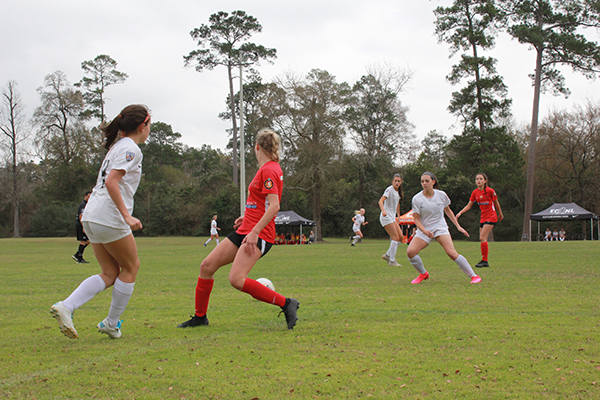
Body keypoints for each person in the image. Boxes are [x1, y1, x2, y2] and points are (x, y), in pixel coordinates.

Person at [177, 128, 300, 330]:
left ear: (257, 147)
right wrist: (248, 216)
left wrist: (254, 231)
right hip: (247, 228)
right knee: (206, 266)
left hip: (258, 234)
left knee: (236, 279)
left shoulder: (269, 170)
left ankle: (287, 303)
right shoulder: (266, 169)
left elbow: (275, 206)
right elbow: (263, 204)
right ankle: (200, 317)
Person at [50, 104, 151, 339]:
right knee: (131, 267)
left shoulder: (117, 146)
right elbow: (112, 182)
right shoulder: (131, 149)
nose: (149, 131)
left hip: (92, 215)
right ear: (141, 126)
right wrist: (126, 215)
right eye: (149, 126)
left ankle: (66, 306)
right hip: (109, 216)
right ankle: (111, 323)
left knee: (109, 273)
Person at [407, 171, 482, 285]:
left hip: (440, 227)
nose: (424, 183)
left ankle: (474, 276)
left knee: (452, 253)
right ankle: (423, 274)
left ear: (433, 182)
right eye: (422, 181)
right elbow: (416, 219)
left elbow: (447, 210)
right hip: (425, 229)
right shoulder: (417, 199)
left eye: (427, 181)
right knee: (410, 252)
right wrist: (424, 231)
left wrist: (458, 226)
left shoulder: (441, 195)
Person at [456, 172, 504, 268]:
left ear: (485, 181)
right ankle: (484, 260)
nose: (478, 181)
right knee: (482, 239)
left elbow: (496, 203)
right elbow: (469, 205)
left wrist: (500, 214)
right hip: (483, 217)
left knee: (482, 237)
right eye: (477, 179)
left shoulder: (490, 191)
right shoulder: (475, 192)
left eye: (481, 179)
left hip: (491, 216)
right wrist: (460, 212)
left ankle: (484, 261)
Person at [379, 174, 404, 267]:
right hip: (386, 217)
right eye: (395, 181)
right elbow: (380, 201)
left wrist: (398, 216)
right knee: (395, 237)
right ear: (392, 181)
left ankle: (387, 255)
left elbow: (397, 204)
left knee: (401, 238)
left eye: (399, 181)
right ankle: (392, 261)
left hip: (392, 217)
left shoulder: (398, 192)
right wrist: (383, 210)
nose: (397, 183)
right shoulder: (389, 190)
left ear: (401, 182)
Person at [72, 191, 92, 264]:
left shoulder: (88, 204)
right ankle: (79, 258)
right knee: (83, 241)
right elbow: (81, 216)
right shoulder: (83, 205)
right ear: (85, 196)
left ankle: (77, 254)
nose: (89, 198)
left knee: (89, 240)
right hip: (80, 224)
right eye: (88, 197)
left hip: (84, 224)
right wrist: (84, 226)